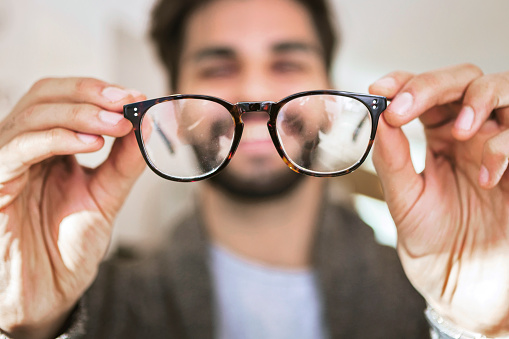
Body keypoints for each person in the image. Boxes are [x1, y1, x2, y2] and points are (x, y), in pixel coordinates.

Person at [0, 0, 508, 338]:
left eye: (287, 63)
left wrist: (474, 327)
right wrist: (28, 327)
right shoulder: (93, 309)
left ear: (330, 96)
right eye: (218, 66)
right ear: (172, 106)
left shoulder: (426, 299)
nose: (256, 96)